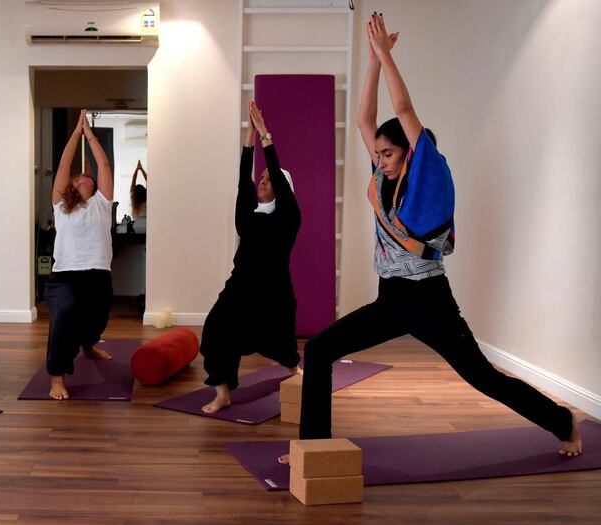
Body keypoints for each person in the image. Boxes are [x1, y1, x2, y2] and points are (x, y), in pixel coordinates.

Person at [279, 14, 581, 463]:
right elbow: (365, 118)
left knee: (482, 377)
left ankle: (561, 420)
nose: (379, 159)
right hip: (390, 300)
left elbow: (403, 111)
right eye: (377, 153)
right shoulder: (382, 178)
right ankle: (313, 450)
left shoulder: (427, 173)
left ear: (409, 153)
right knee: (320, 349)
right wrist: (373, 65)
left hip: (430, 301)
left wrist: (387, 55)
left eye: (388, 152)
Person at [200, 100, 302, 414]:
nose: (263, 181)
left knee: (282, 346)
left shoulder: (288, 218)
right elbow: (244, 181)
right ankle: (222, 392)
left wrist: (266, 137)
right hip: (241, 287)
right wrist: (249, 138)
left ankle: (296, 374)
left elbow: (279, 188)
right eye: (263, 178)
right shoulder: (248, 217)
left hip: (273, 292)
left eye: (270, 180)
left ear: (283, 189)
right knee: (215, 331)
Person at [46, 110, 115, 400]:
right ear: (73, 187)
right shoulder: (62, 207)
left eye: (89, 176)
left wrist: (91, 134)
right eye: (79, 177)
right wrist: (76, 132)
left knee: (97, 320)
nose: (85, 176)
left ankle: (88, 345)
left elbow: (103, 162)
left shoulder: (102, 204)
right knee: (65, 313)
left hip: (98, 275)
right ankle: (57, 377)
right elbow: (63, 163)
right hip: (65, 277)